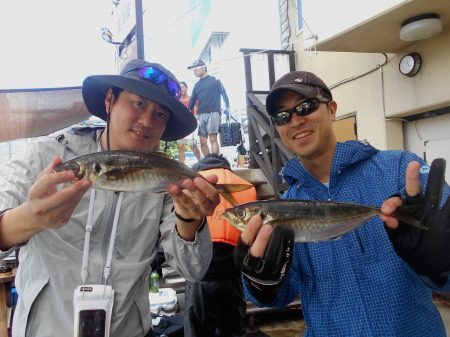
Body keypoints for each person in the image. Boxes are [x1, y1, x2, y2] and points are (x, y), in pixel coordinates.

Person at [0, 59, 220, 337]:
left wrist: (189, 218)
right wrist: (30, 218)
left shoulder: (166, 181)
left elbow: (193, 270)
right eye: (139, 103)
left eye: (160, 114)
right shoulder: (48, 157)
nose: (146, 122)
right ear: (109, 100)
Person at [233, 70, 450, 336]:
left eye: (306, 106)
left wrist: (442, 265)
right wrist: (260, 282)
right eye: (282, 116)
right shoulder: (286, 208)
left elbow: (445, 276)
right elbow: (277, 298)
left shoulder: (401, 171)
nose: (295, 121)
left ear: (332, 109)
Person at [184, 153, 257, 337]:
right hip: (233, 274)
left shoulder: (192, 186)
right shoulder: (245, 186)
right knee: (233, 330)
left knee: (197, 332)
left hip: (200, 276)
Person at [188, 60, 230, 156]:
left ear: (203, 67)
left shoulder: (215, 80)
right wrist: (187, 113)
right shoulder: (196, 85)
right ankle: (208, 161)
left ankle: (215, 160)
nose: (194, 71)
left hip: (213, 112)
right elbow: (192, 101)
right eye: (193, 69)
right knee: (202, 141)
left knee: (212, 138)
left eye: (196, 68)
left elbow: (224, 93)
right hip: (201, 114)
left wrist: (227, 107)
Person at [177, 81, 201, 165]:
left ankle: (201, 162)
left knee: (192, 145)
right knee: (181, 146)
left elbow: (197, 112)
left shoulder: (192, 99)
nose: (182, 89)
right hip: (180, 126)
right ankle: (181, 166)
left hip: (190, 125)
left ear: (186, 88)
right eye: (180, 87)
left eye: (183, 87)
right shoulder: (177, 100)